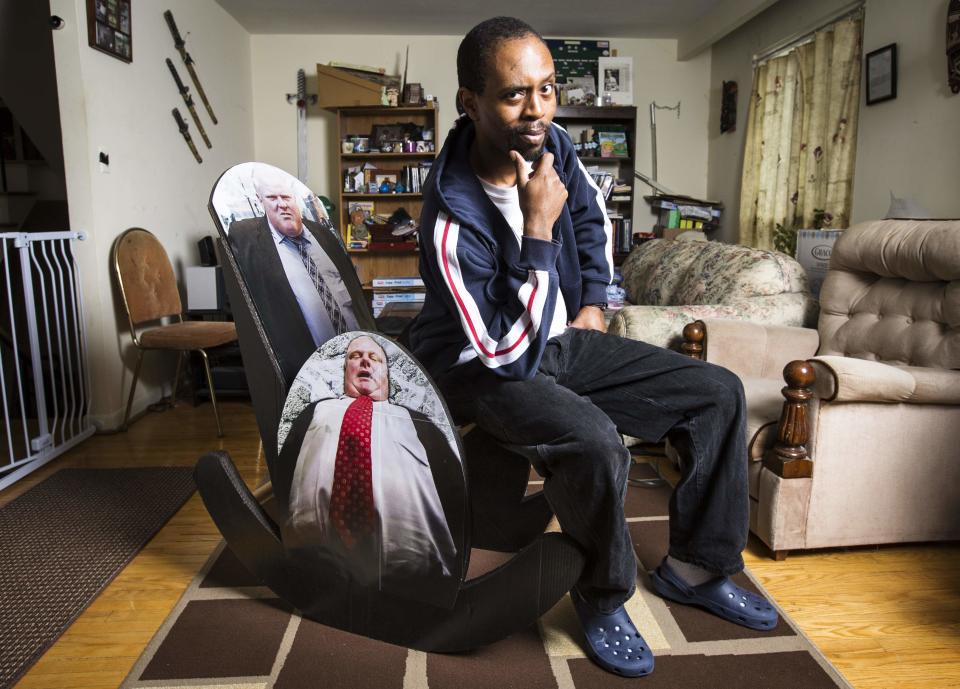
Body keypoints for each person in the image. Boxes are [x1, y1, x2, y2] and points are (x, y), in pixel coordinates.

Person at [408, 16, 778, 678]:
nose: (537, 110)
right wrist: (536, 233)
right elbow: (503, 355)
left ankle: (696, 567)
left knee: (717, 393)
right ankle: (604, 596)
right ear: (470, 102)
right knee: (595, 440)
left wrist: (593, 304)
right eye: (515, 94)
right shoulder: (448, 218)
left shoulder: (555, 146)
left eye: (547, 89)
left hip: (557, 337)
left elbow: (586, 216)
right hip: (481, 365)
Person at [282, 335, 463, 608]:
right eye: (355, 356)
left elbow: (449, 478)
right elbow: (285, 464)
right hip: (318, 547)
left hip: (411, 559)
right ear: (345, 371)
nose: (365, 360)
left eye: (374, 358)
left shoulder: (416, 420)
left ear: (387, 377)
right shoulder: (316, 411)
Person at [227, 166, 368, 383]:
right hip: (310, 367)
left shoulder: (324, 234)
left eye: (285, 196)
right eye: (272, 198)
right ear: (259, 201)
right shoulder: (247, 238)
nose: (281, 203)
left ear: (295, 198)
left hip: (357, 351)